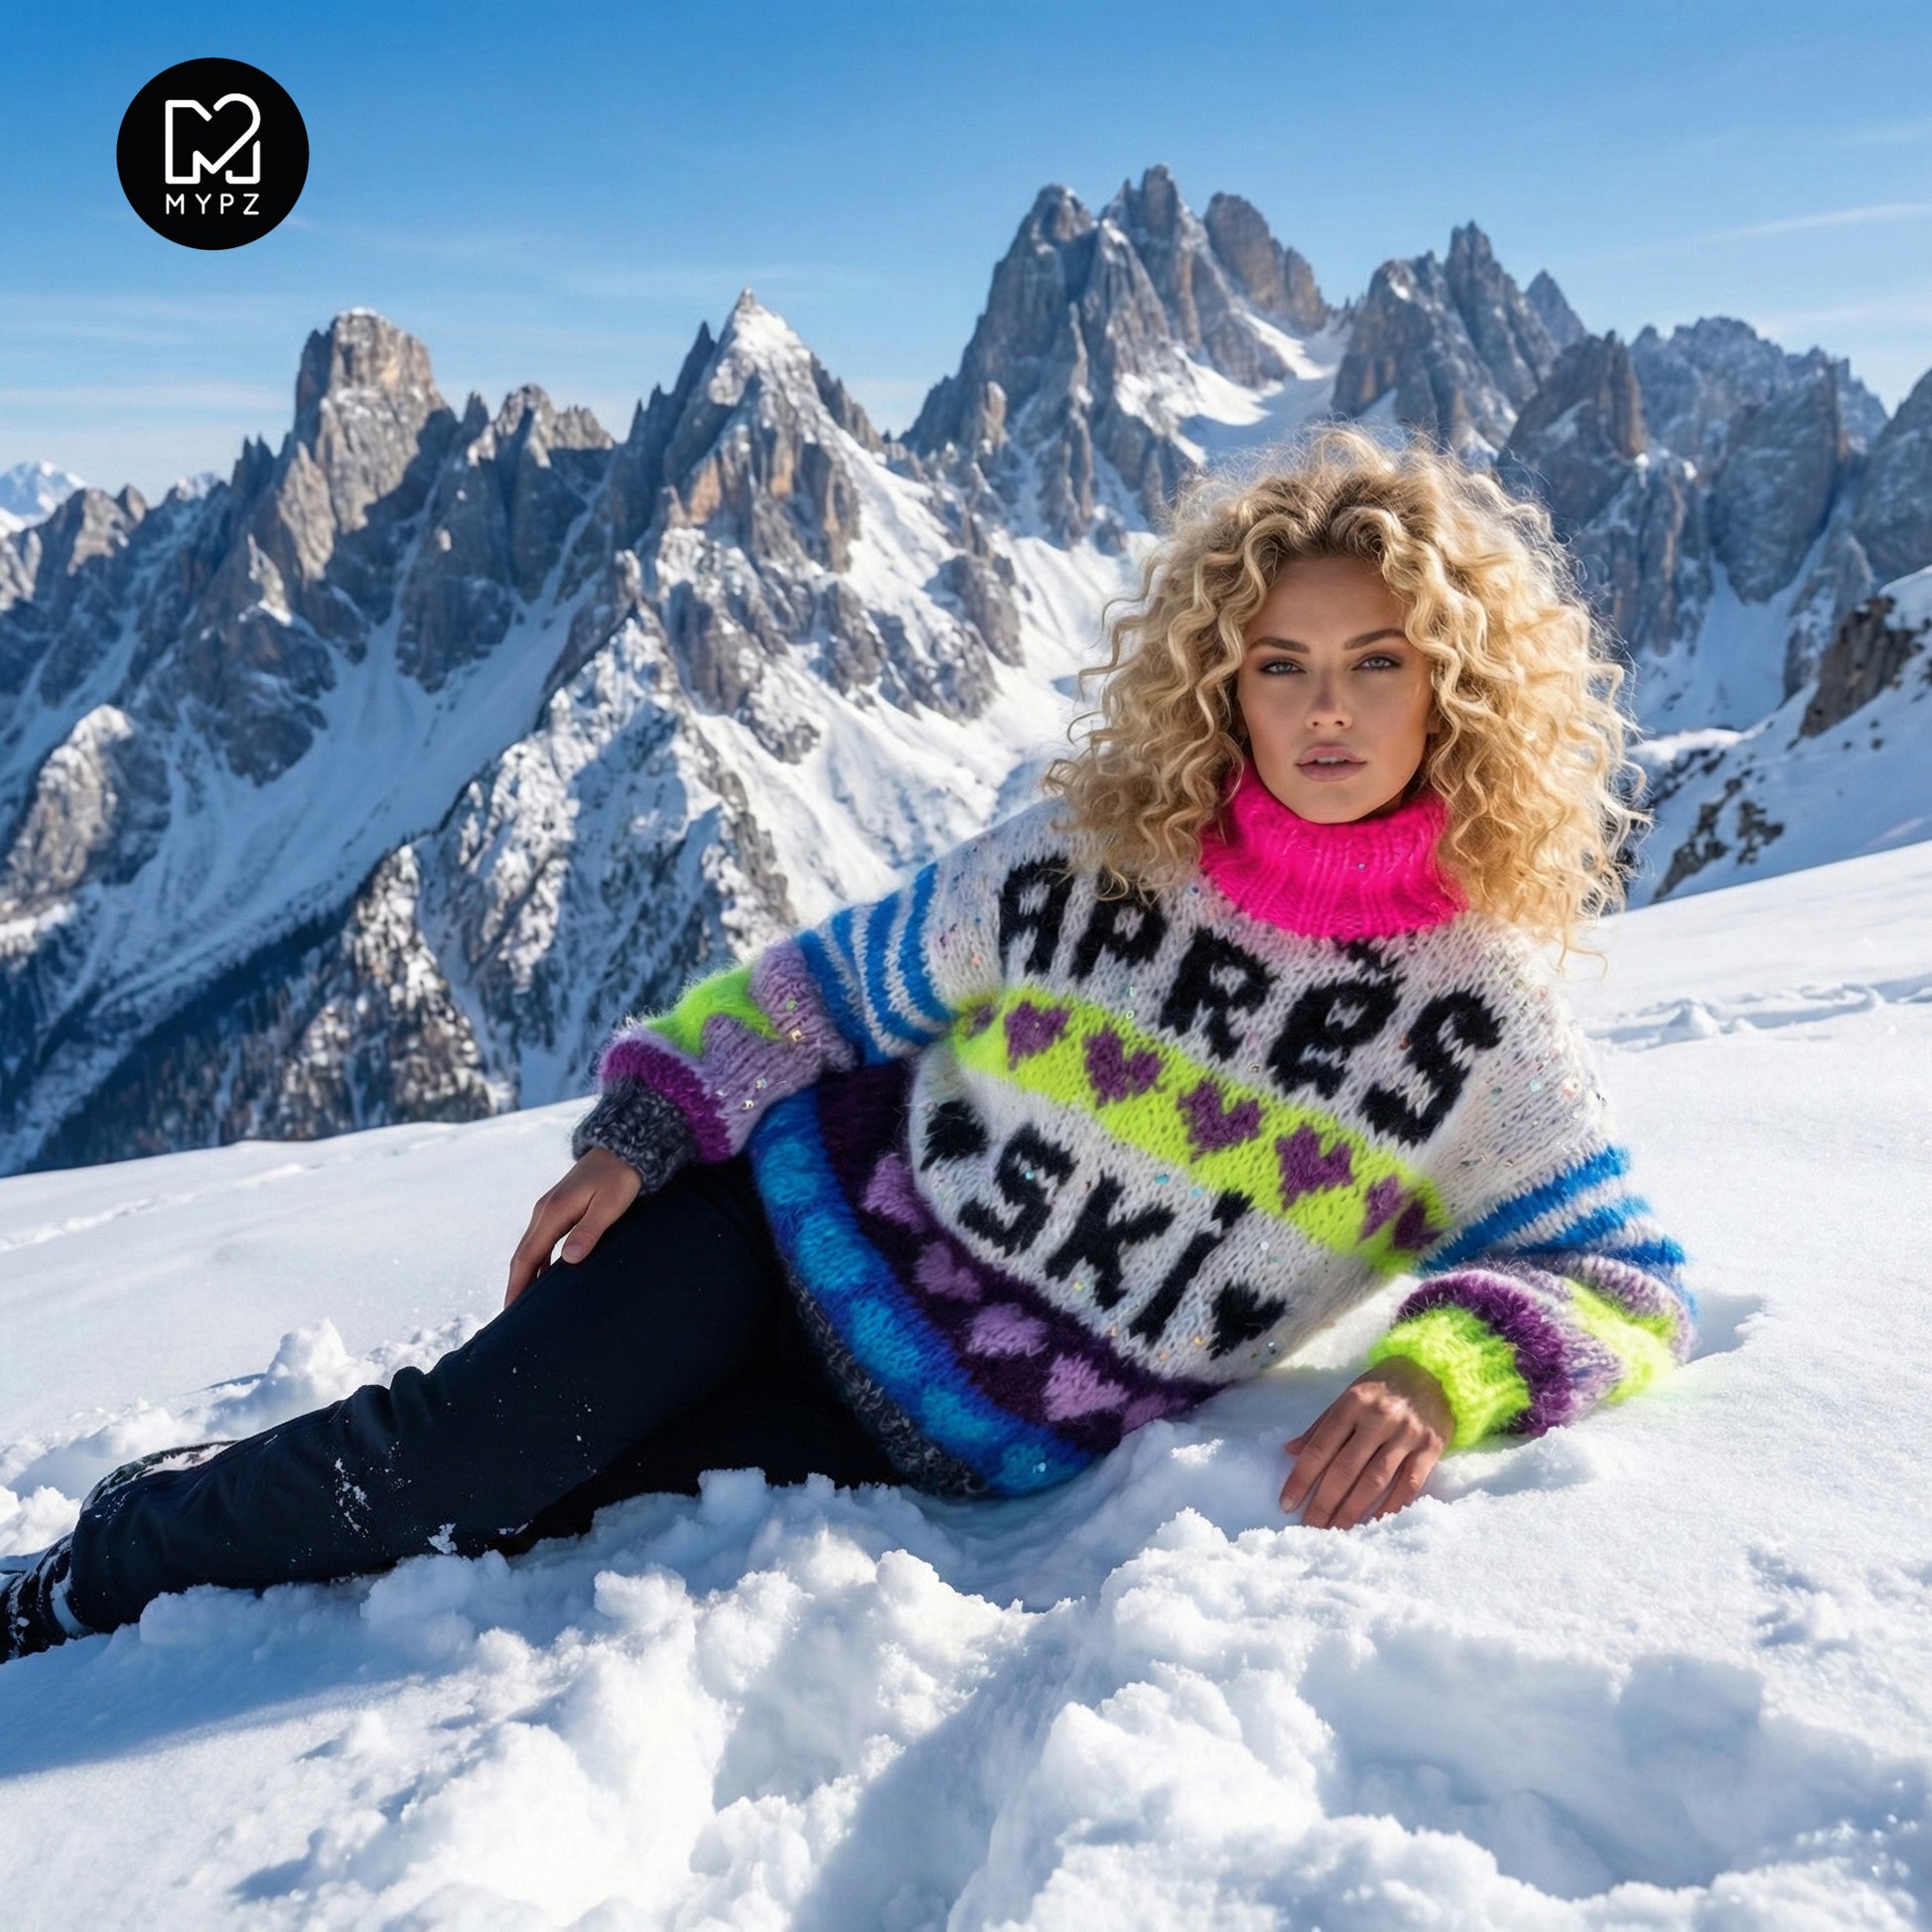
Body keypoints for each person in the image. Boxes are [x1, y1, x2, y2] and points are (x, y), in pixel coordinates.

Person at [1, 423, 1696, 1666]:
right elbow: (819, 991)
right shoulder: (1097, 858)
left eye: (1377, 662)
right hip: (762, 1239)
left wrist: (1442, 1369)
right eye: (1281, 665)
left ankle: (190, 1498)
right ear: (1221, 685)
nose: (1325, 707)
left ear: (1453, 687)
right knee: (457, 1458)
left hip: (923, 1437)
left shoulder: (1478, 1020)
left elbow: (1623, 1280)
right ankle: (84, 1576)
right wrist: (650, 1123)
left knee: (511, 1511)